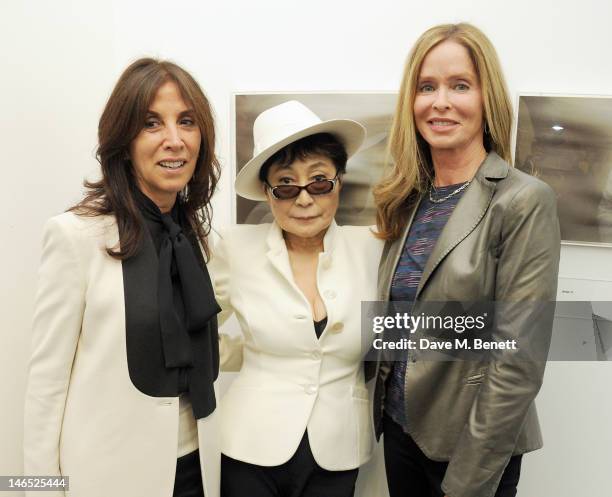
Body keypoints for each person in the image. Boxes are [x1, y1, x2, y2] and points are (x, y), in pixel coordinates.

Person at [370, 23, 561, 497]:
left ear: (485, 98)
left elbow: (516, 364)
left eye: (460, 86)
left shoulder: (522, 201)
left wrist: (466, 483)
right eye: (427, 87)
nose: (440, 102)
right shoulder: (407, 199)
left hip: (472, 451)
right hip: (401, 434)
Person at [24, 58, 222, 497]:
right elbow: (45, 387)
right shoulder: (74, 235)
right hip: (108, 478)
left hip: (197, 471)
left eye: (186, 121)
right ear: (123, 140)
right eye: (152, 123)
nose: (175, 140)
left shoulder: (195, 239)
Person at [210, 100, 383, 497]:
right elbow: (193, 331)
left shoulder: (375, 248)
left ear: (338, 181)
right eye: (286, 185)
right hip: (249, 446)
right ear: (268, 193)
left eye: (319, 181)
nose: (304, 198)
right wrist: (251, 354)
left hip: (339, 448)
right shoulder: (235, 249)